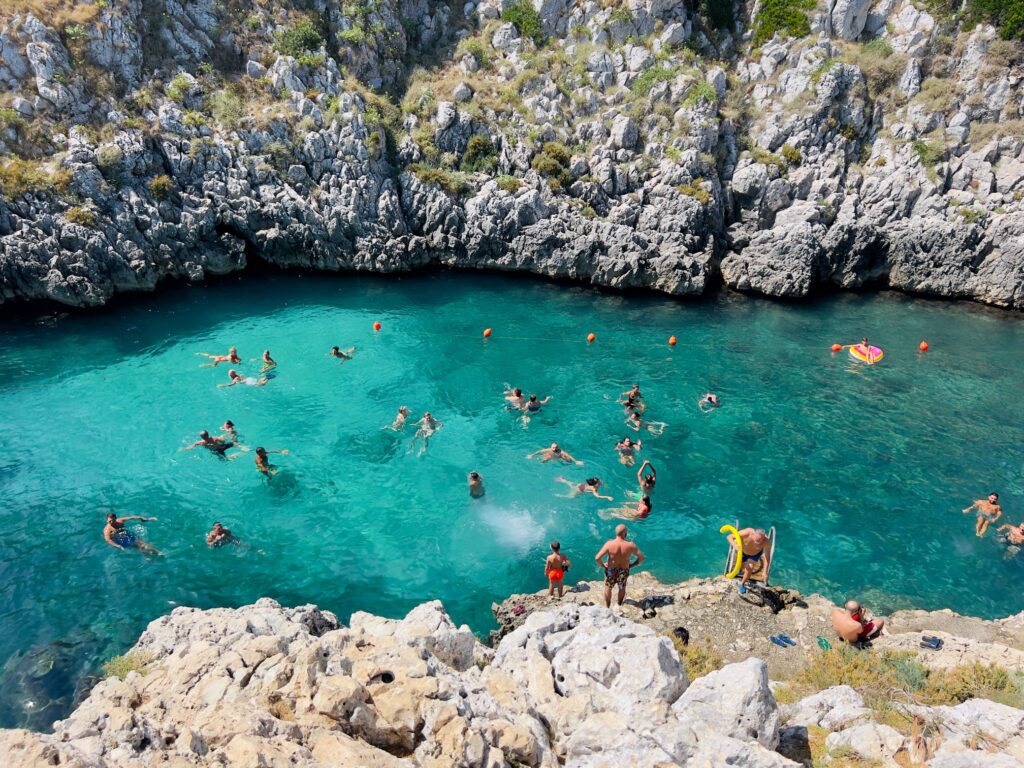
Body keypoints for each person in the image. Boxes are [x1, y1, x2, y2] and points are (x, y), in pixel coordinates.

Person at [594, 524, 644, 608]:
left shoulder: (609, 544)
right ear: (625, 533)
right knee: (622, 587)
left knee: (608, 587)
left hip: (611, 570)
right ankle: (619, 604)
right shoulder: (630, 545)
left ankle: (607, 606)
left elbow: (597, 558)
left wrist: (603, 565)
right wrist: (632, 565)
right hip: (624, 571)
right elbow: (641, 558)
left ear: (616, 533)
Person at [728, 527, 769, 594]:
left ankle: (742, 584)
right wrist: (734, 545)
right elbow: (729, 536)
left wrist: (765, 571)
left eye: (760, 540)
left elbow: (767, 557)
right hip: (742, 551)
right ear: (753, 534)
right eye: (757, 539)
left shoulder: (766, 541)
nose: (758, 541)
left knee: (749, 568)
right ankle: (740, 567)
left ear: (764, 538)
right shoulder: (747, 532)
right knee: (741, 565)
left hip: (754, 555)